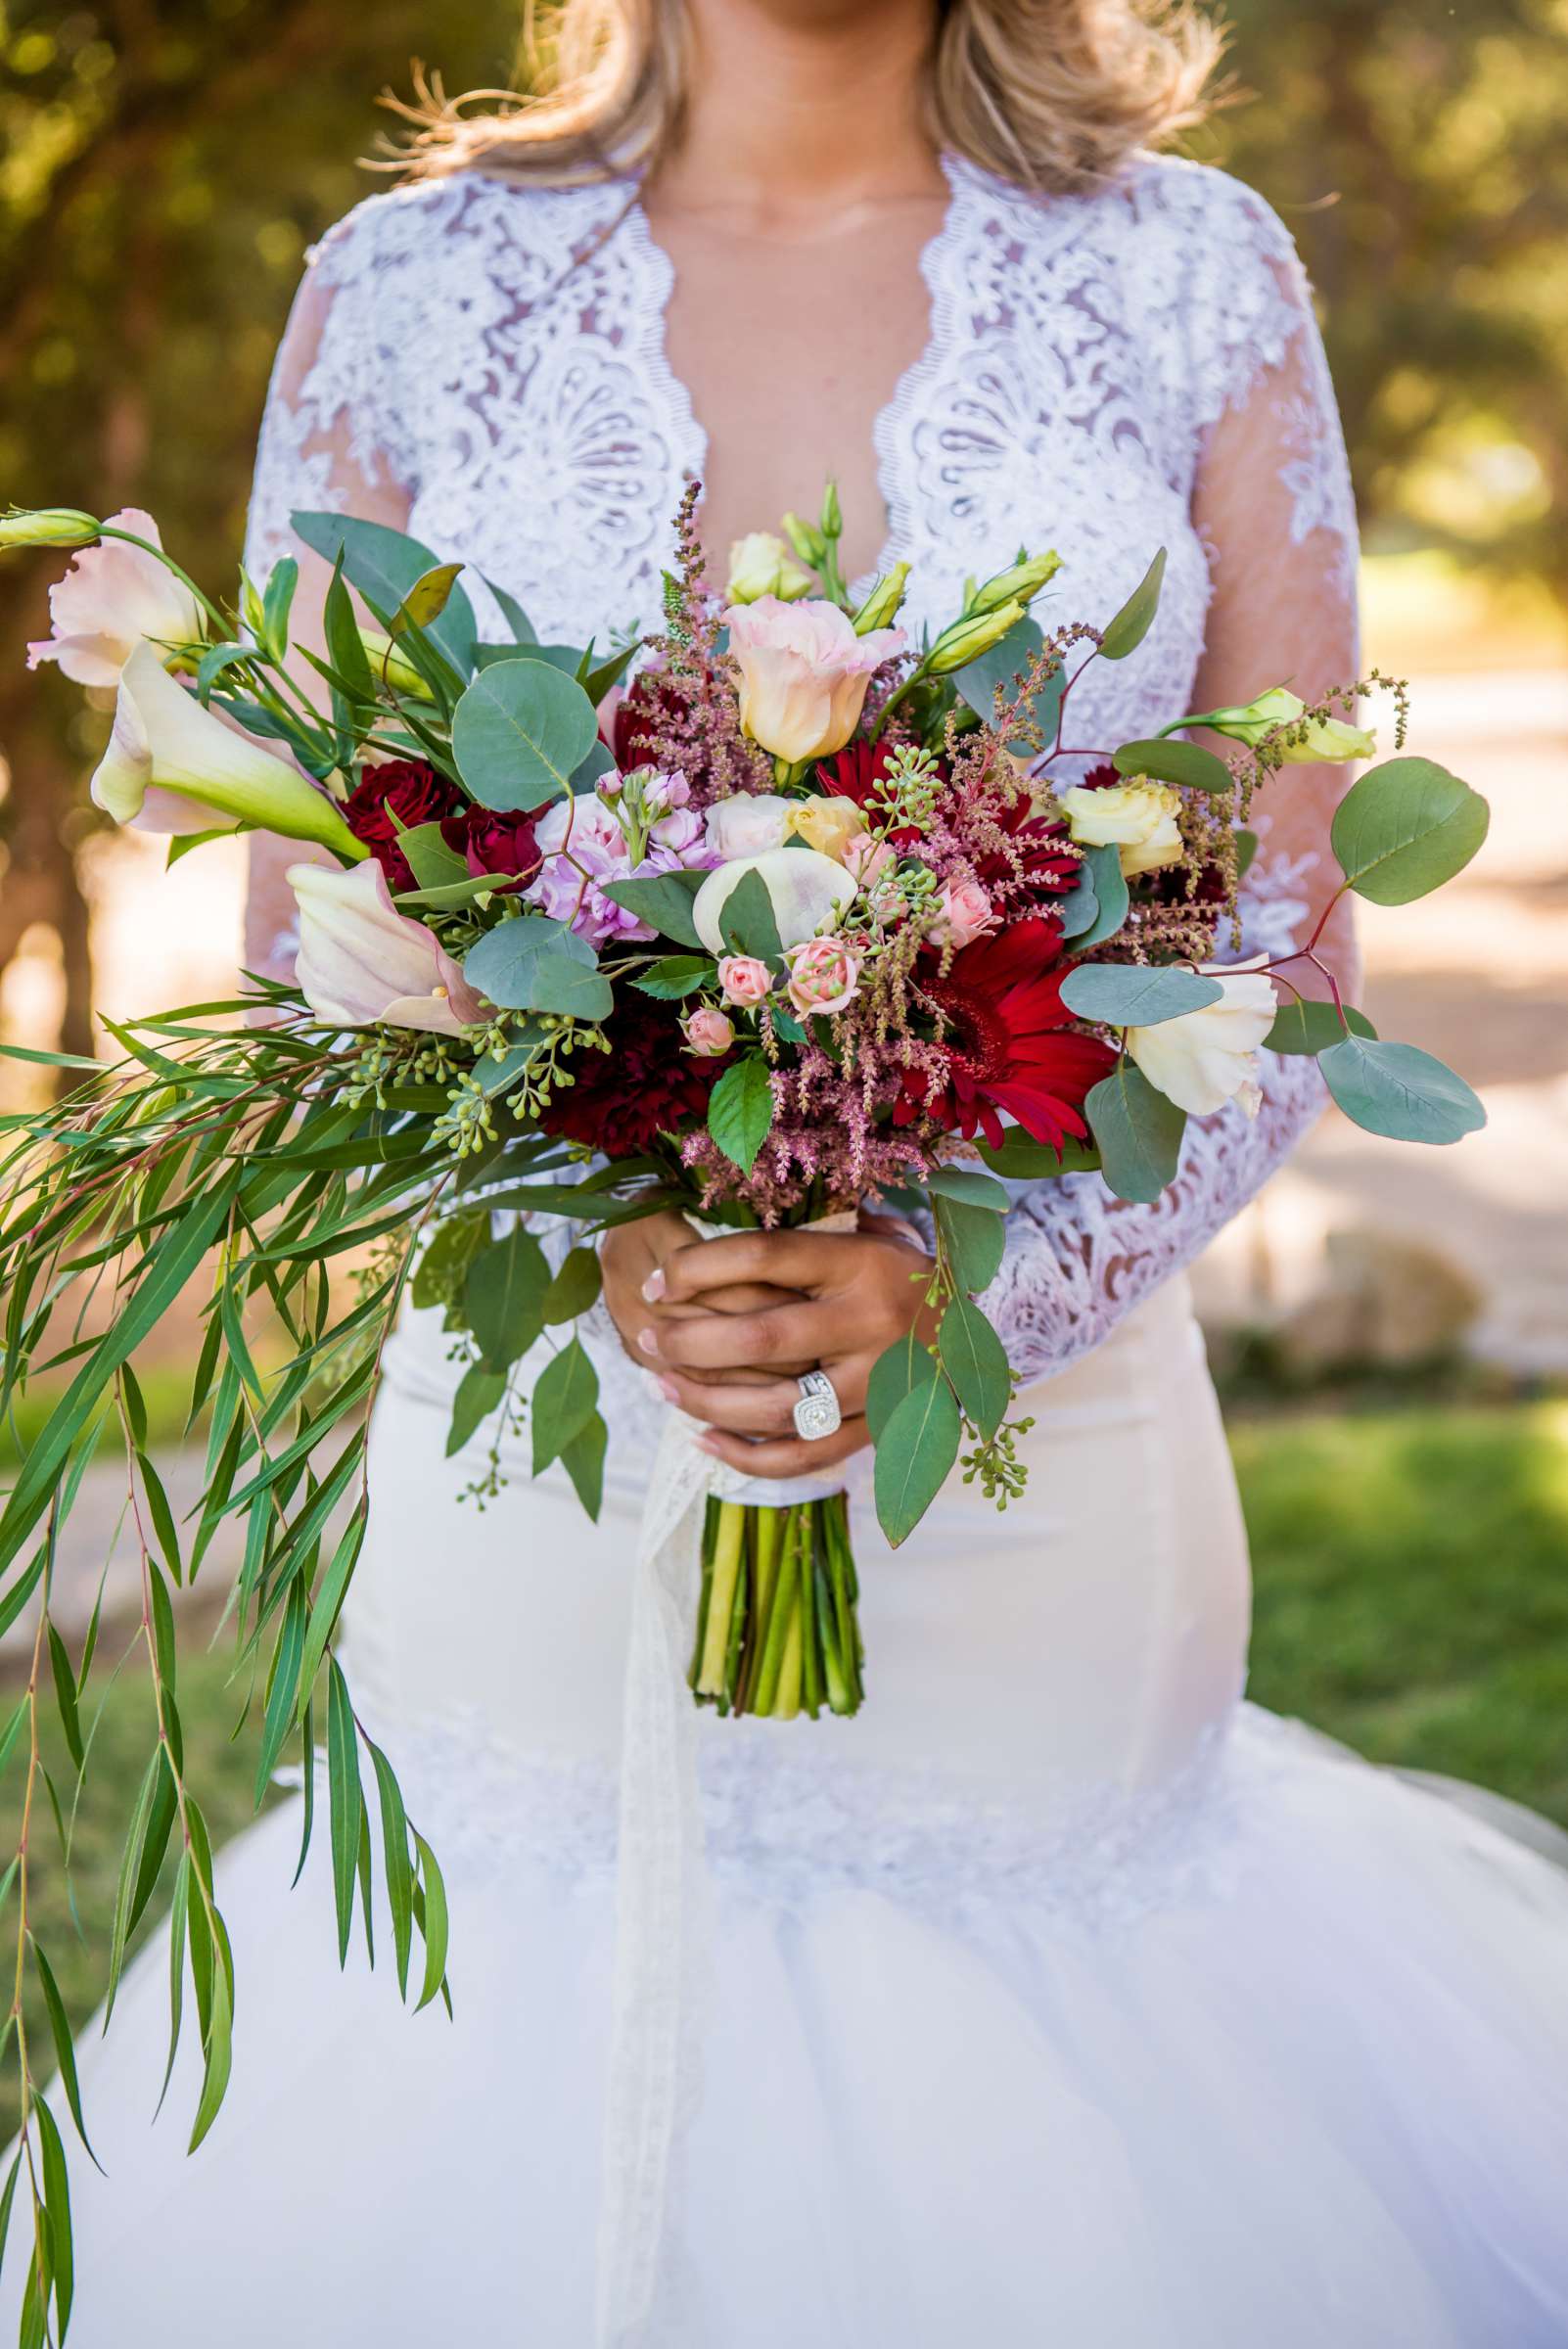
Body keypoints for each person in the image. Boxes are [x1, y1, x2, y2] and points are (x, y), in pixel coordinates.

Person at [28, 3, 1568, 2342]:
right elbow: (309, 905)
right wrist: (617, 1227)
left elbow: (1276, 926)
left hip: (1039, 1493)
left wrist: (982, 1293)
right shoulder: (412, 283)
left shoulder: (1191, 269)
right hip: (540, 1439)